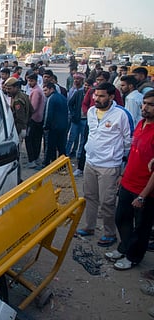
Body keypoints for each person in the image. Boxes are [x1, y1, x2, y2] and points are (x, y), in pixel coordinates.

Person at [76, 82, 131, 247]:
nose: (96, 99)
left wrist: (122, 168)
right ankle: (89, 227)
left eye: (101, 96)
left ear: (111, 97)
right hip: (91, 162)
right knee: (90, 197)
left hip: (109, 165)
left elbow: (129, 142)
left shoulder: (121, 115)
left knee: (107, 202)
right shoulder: (92, 112)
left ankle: (109, 233)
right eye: (95, 95)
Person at [105, 90, 154, 271]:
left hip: (144, 190)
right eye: (145, 103)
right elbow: (133, 155)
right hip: (127, 183)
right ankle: (124, 247)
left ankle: (133, 257)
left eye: (150, 104)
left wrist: (143, 195)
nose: (145, 107)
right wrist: (123, 175)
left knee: (141, 227)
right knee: (121, 218)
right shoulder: (141, 124)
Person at [42, 82, 68, 166]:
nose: (44, 93)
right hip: (63, 127)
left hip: (53, 128)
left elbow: (48, 114)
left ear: (51, 89)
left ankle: (46, 165)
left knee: (49, 148)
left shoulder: (51, 99)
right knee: (61, 148)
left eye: (46, 90)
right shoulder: (63, 98)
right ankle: (62, 166)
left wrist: (45, 126)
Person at [25, 73, 46, 168]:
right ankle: (36, 158)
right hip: (39, 119)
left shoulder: (36, 92)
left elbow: (33, 107)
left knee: (30, 140)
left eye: (31, 81)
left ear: (35, 80)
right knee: (36, 140)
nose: (29, 83)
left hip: (34, 119)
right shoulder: (37, 90)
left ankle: (32, 160)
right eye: (28, 81)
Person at [4, 77, 32, 142]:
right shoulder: (23, 95)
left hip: (19, 129)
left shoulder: (17, 101)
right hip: (24, 126)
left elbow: (20, 119)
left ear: (16, 87)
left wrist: (17, 132)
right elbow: (31, 110)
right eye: (6, 89)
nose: (7, 91)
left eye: (9, 89)